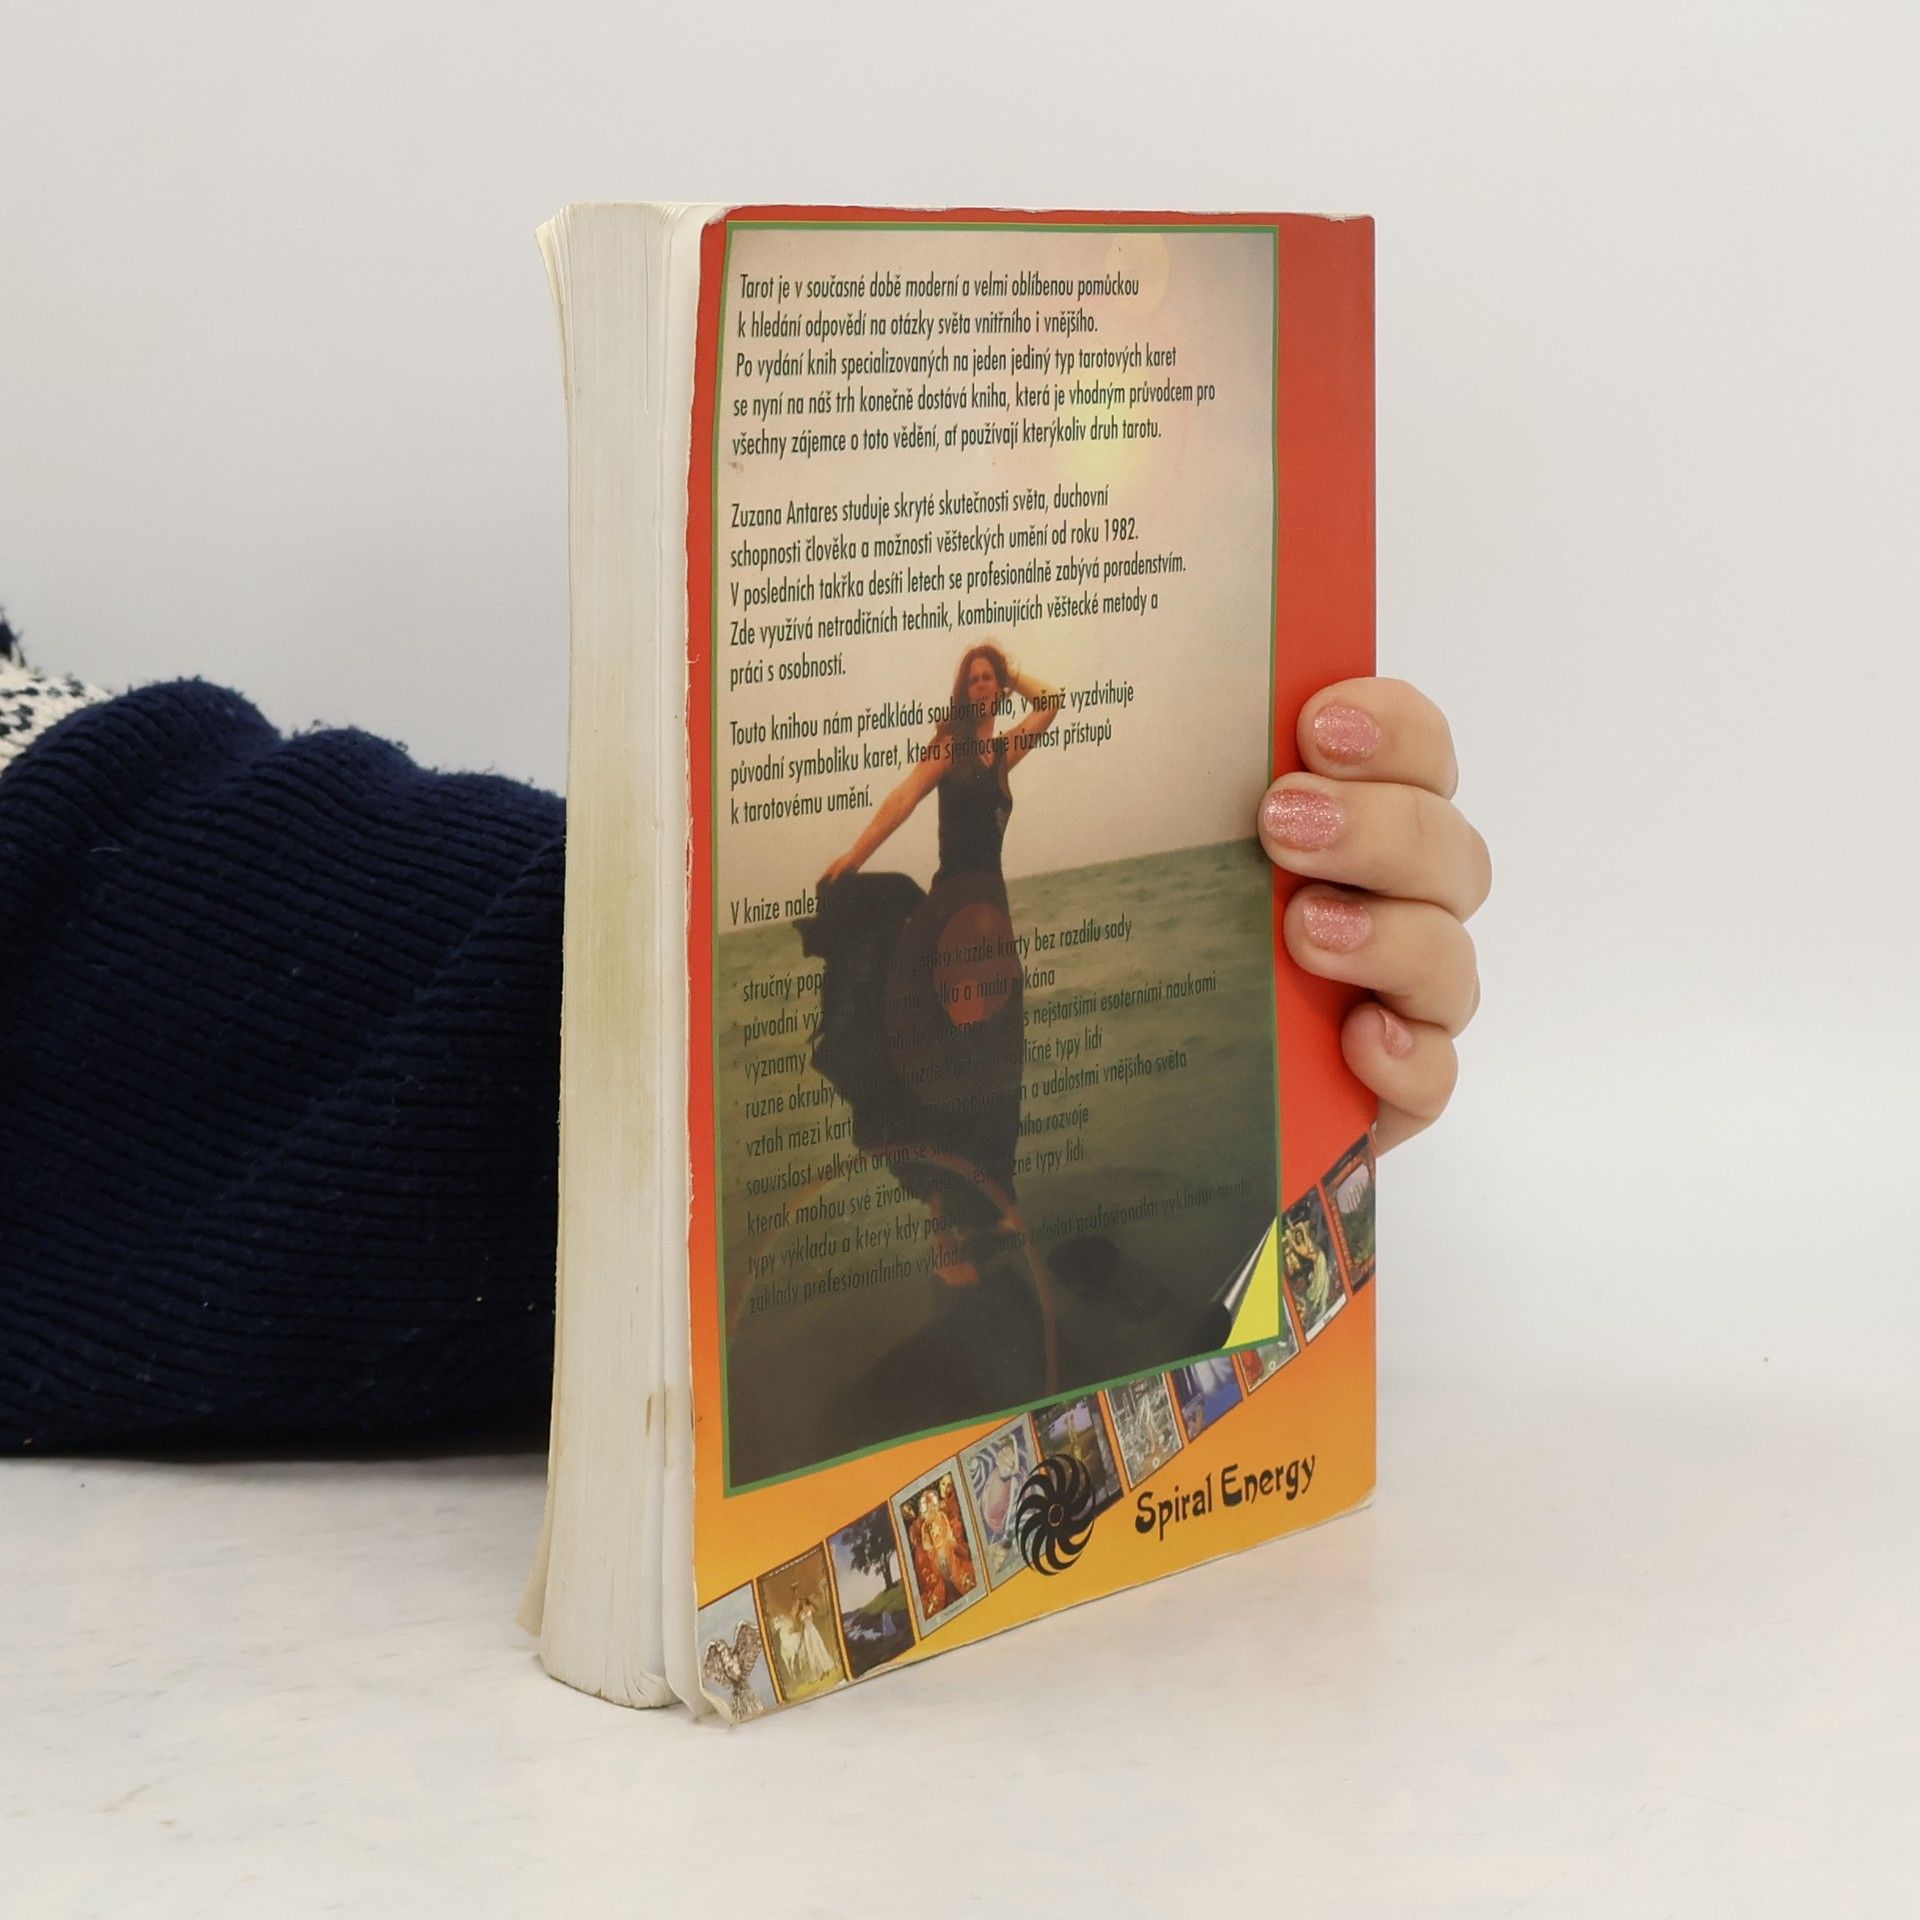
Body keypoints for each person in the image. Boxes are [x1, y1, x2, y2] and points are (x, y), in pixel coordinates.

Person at [0, 617, 1489, 1454]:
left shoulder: (989, 748)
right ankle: (967, 1243)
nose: (989, 697)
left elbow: (1056, 715)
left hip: (968, 930)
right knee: (950, 1087)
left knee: (994, 1089)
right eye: (981, 685)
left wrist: (1228, 993)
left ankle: (995, 1240)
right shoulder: (952, 761)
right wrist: (792, 909)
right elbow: (899, 807)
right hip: (935, 930)